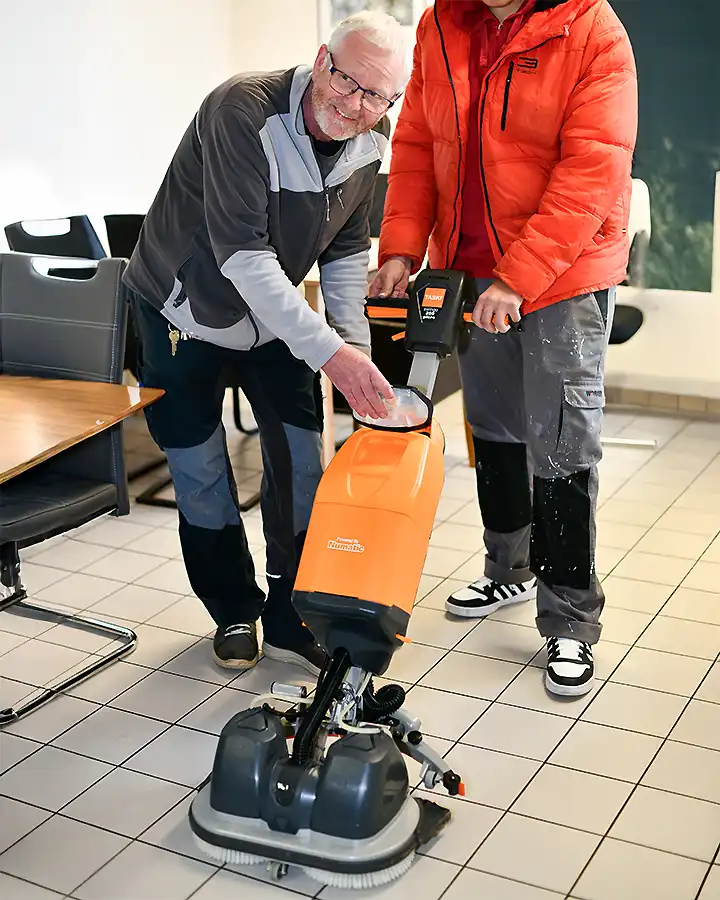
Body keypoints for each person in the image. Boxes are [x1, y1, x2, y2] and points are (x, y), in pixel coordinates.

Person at [124, 12, 410, 675]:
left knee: (302, 461)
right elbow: (243, 259)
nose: (358, 105)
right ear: (320, 60)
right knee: (198, 470)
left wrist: (352, 349)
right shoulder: (240, 112)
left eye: (379, 95)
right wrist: (330, 355)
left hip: (274, 317)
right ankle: (232, 608)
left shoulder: (373, 138)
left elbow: (343, 254)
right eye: (347, 82)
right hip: (182, 309)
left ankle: (291, 612)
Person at [370, 0, 637, 696]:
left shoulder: (592, 30)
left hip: (561, 275)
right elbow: (419, 146)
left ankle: (572, 623)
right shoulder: (441, 22)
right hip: (469, 269)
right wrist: (401, 247)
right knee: (494, 432)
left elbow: (591, 172)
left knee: (560, 447)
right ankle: (508, 572)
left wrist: (520, 278)